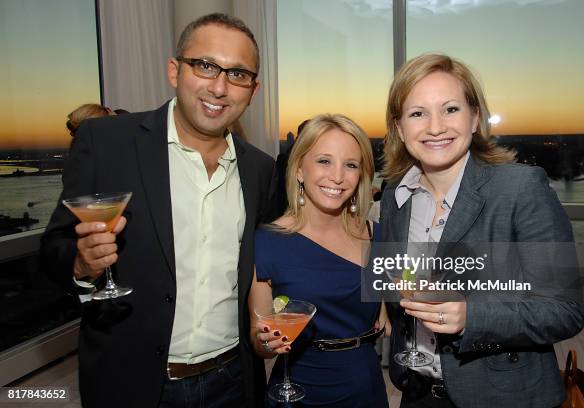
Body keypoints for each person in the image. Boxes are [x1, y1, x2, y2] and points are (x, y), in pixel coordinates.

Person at [41, 13, 276, 408]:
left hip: (233, 380)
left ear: (252, 90)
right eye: (205, 66)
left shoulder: (260, 169)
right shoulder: (107, 143)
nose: (219, 87)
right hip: (132, 381)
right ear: (174, 70)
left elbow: (264, 265)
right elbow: (53, 249)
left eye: (237, 74)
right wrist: (82, 266)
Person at [379, 54, 584, 407]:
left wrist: (470, 316)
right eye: (417, 113)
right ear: (400, 128)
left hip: (503, 397)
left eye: (450, 109)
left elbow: (565, 310)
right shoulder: (395, 196)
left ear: (475, 117)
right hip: (418, 394)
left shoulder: (521, 188)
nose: (435, 127)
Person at [249, 114, 390, 407]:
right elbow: (258, 338)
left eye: (351, 165)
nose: (337, 176)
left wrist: (386, 303)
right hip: (297, 389)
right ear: (299, 169)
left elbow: (406, 292)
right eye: (324, 161)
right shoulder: (266, 242)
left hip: (364, 386)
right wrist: (267, 342)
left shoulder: (377, 236)